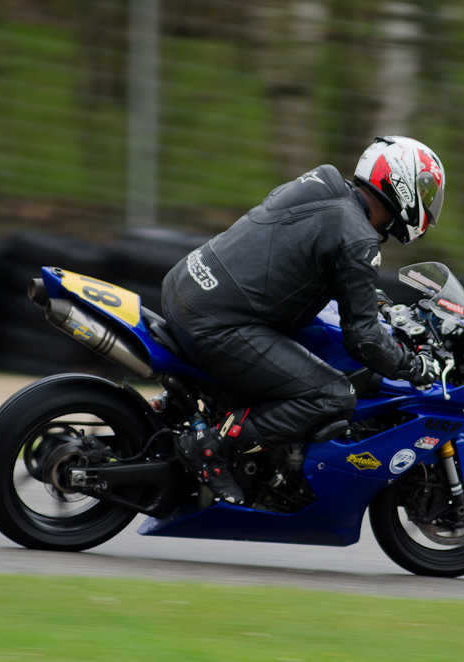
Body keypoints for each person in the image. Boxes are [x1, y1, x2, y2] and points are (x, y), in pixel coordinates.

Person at [161, 136, 446, 503]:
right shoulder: (359, 239)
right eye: (425, 188)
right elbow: (365, 340)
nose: (428, 200)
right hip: (216, 323)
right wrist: (411, 365)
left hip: (186, 285)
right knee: (333, 394)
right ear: (402, 184)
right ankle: (213, 450)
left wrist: (374, 299)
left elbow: (297, 251)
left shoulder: (323, 182)